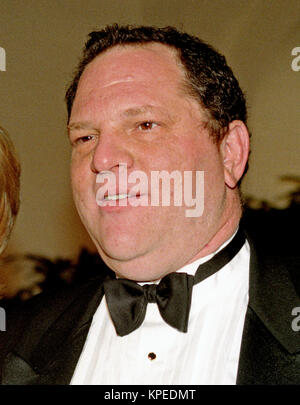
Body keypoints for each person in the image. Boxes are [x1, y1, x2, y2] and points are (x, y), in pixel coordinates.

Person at [0, 24, 299, 385]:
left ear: (230, 152)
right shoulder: (15, 343)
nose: (103, 158)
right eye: (85, 137)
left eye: (144, 124)